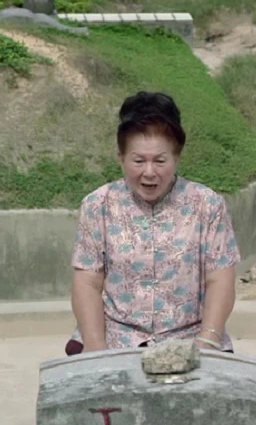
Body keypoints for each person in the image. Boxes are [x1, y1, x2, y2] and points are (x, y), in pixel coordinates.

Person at [66, 91, 240, 355]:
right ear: (121, 158)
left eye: (160, 160)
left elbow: (220, 279)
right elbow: (88, 282)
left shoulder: (208, 205)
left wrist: (206, 343)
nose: (149, 172)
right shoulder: (97, 205)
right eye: (138, 161)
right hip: (116, 336)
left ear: (176, 157)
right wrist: (97, 349)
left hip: (189, 337)